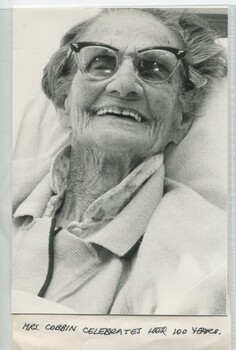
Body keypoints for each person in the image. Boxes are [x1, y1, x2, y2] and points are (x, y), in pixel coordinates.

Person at [12, 8, 227, 314]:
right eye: (101, 64)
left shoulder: (211, 257)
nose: (123, 85)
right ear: (62, 103)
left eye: (153, 68)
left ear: (182, 119)